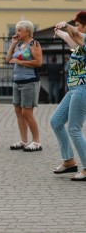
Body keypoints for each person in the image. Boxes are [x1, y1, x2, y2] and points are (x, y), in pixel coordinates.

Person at [51, 11, 86, 181]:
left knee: (74, 128)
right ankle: (69, 161)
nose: (77, 27)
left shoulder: (84, 39)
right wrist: (59, 30)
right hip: (73, 89)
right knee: (56, 122)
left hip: (82, 89)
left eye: (79, 24)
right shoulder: (79, 43)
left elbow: (75, 33)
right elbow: (69, 36)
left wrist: (67, 25)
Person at [6, 20, 43, 152]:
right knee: (18, 112)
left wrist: (21, 62)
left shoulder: (34, 43)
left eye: (20, 30)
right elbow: (8, 59)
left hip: (30, 81)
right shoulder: (19, 44)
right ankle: (23, 140)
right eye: (17, 30)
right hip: (17, 81)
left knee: (27, 112)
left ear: (28, 31)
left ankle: (36, 141)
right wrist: (13, 44)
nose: (17, 33)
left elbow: (39, 62)